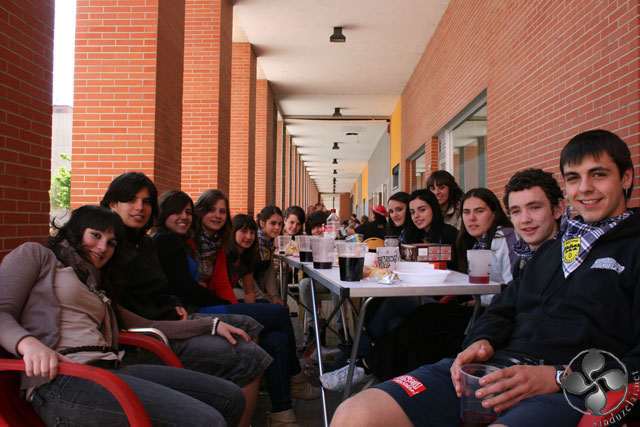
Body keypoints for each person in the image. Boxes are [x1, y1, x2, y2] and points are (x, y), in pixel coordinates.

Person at [332, 129, 639, 426]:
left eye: (598, 174)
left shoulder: (632, 247)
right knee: (354, 414)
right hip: (493, 370)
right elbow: (501, 309)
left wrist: (561, 376)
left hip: (566, 390)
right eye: (573, 178)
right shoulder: (553, 250)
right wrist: (480, 341)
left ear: (625, 178)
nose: (584, 188)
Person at [0, 206, 245, 426]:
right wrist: (30, 345)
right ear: (75, 231)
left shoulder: (96, 285)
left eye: (111, 243)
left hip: (110, 368)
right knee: (207, 420)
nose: (102, 248)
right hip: (63, 378)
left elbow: (149, 325)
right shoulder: (38, 255)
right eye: (95, 235)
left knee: (231, 398)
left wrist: (211, 325)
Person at [100, 173, 270, 427]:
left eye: (146, 202)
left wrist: (172, 303)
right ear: (112, 204)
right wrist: (204, 321)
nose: (140, 208)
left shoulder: (146, 244)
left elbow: (161, 288)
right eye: (131, 200)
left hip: (168, 323)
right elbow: (126, 310)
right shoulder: (109, 248)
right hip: (146, 340)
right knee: (250, 353)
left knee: (255, 329)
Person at [153, 191, 319, 426]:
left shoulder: (214, 243)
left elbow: (222, 283)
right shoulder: (178, 241)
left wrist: (235, 307)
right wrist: (232, 309)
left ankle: (282, 413)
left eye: (222, 211)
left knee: (277, 338)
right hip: (196, 312)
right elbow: (186, 288)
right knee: (279, 314)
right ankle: (296, 379)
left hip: (210, 305)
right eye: (211, 210)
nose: (217, 215)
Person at [456, 188, 518, 305]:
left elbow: (513, 288)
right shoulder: (471, 242)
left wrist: (476, 303)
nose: (471, 218)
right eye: (466, 212)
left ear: (494, 214)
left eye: (479, 211)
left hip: (504, 310)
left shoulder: (504, 237)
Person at [403, 189, 459, 269]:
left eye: (422, 210)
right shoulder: (413, 234)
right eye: (412, 212)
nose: (416, 216)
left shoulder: (450, 234)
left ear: (433, 208)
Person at [255, 205, 285, 305]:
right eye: (273, 223)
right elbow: (245, 276)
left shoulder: (269, 243)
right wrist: (264, 297)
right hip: (243, 289)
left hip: (258, 288)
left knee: (281, 307)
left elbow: (269, 272)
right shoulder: (254, 241)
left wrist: (274, 296)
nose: (277, 227)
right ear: (262, 223)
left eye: (280, 224)